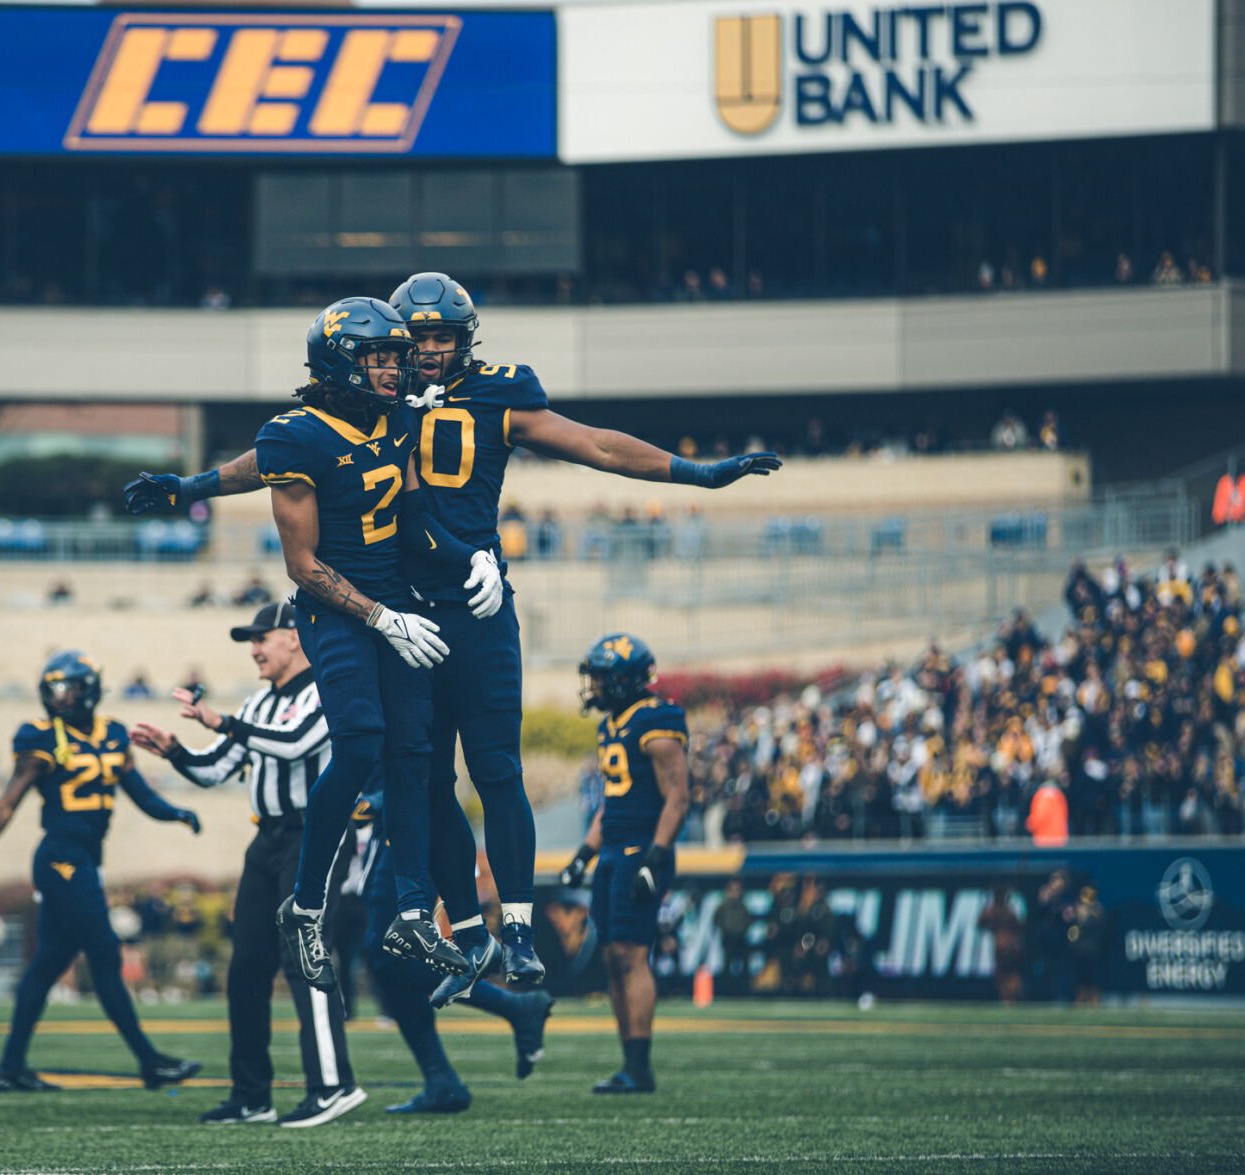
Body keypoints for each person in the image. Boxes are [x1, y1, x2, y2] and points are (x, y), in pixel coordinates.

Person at [127, 274, 778, 999]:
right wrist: (193, 485)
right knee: (413, 769)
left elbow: (590, 442)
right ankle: (457, 932)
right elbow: (283, 458)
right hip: (388, 601)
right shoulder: (373, 396)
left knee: (490, 765)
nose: (428, 351)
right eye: (417, 339)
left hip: (470, 596)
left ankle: (512, 932)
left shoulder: (472, 393)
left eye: (442, 337)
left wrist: (694, 473)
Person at [245, 297, 490, 991]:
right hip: (337, 608)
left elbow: (413, 517)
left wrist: (471, 557)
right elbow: (302, 566)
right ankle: (308, 904)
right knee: (358, 741)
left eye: (394, 354)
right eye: (375, 355)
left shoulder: (398, 416)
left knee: (413, 754)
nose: (391, 366)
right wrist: (381, 617)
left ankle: (414, 907)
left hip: (398, 601)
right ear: (338, 360)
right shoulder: (293, 436)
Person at [130, 601, 361, 1128]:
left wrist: (222, 721)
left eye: (262, 637)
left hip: (316, 836)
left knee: (307, 955)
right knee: (247, 968)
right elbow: (216, 768)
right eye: (250, 639)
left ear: (296, 637)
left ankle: (333, 1084)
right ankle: (252, 1095)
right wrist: (175, 752)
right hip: (270, 839)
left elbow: (297, 742)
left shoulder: (330, 687)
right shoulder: (258, 702)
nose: (254, 648)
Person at [0, 652, 202, 1092]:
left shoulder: (113, 733)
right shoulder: (41, 738)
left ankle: (10, 1068)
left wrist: (177, 812)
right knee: (104, 953)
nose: (59, 698)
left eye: (67, 689)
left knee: (48, 963)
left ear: (89, 689)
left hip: (83, 859)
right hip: (60, 859)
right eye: (53, 690)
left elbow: (140, 794)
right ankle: (149, 1060)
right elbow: (6, 803)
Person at [354, 789, 554, 1115]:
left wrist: (376, 797)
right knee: (388, 960)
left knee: (387, 951)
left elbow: (409, 758)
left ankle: (513, 1010)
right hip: (397, 822)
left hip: (410, 818)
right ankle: (441, 1079)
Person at [560, 633, 690, 1094]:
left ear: (622, 680)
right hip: (614, 850)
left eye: (600, 677)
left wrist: (657, 854)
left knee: (631, 954)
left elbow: (678, 795)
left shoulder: (657, 719)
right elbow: (610, 805)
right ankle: (629, 1064)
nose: (593, 686)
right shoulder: (611, 725)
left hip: (642, 849)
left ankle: (640, 1066)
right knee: (613, 957)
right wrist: (584, 855)